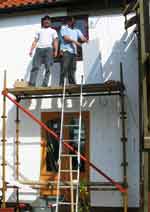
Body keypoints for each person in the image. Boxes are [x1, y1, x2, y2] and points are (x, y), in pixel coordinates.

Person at [29, 15, 58, 87]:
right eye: (45, 20)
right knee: (35, 66)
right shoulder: (39, 30)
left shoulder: (53, 31)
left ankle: (45, 84)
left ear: (50, 22)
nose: (47, 21)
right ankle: (32, 83)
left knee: (48, 67)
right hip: (39, 49)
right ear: (43, 22)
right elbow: (35, 41)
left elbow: (55, 41)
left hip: (49, 49)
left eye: (48, 20)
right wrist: (31, 50)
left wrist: (56, 51)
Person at [59, 16, 88, 85]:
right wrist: (75, 42)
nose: (73, 23)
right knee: (64, 68)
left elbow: (82, 38)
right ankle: (61, 84)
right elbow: (66, 38)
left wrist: (87, 41)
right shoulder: (64, 28)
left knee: (72, 69)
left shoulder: (77, 30)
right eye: (71, 21)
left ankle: (72, 84)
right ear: (68, 22)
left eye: (73, 22)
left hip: (74, 53)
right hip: (66, 51)